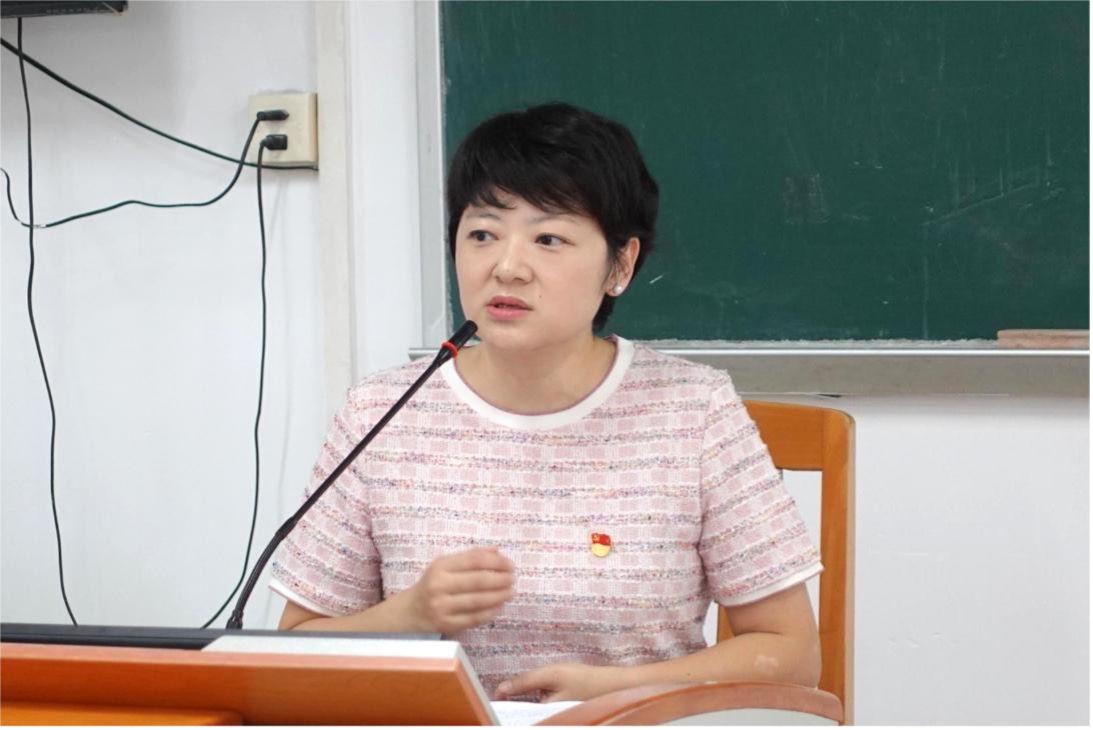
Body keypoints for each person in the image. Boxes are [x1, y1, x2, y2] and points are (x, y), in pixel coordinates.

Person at [270, 102, 822, 703]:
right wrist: (408, 614)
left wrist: (613, 691)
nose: (507, 268)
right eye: (482, 234)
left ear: (620, 265)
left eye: (549, 238)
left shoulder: (694, 410)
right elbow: (292, 651)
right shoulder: (381, 411)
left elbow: (791, 655)